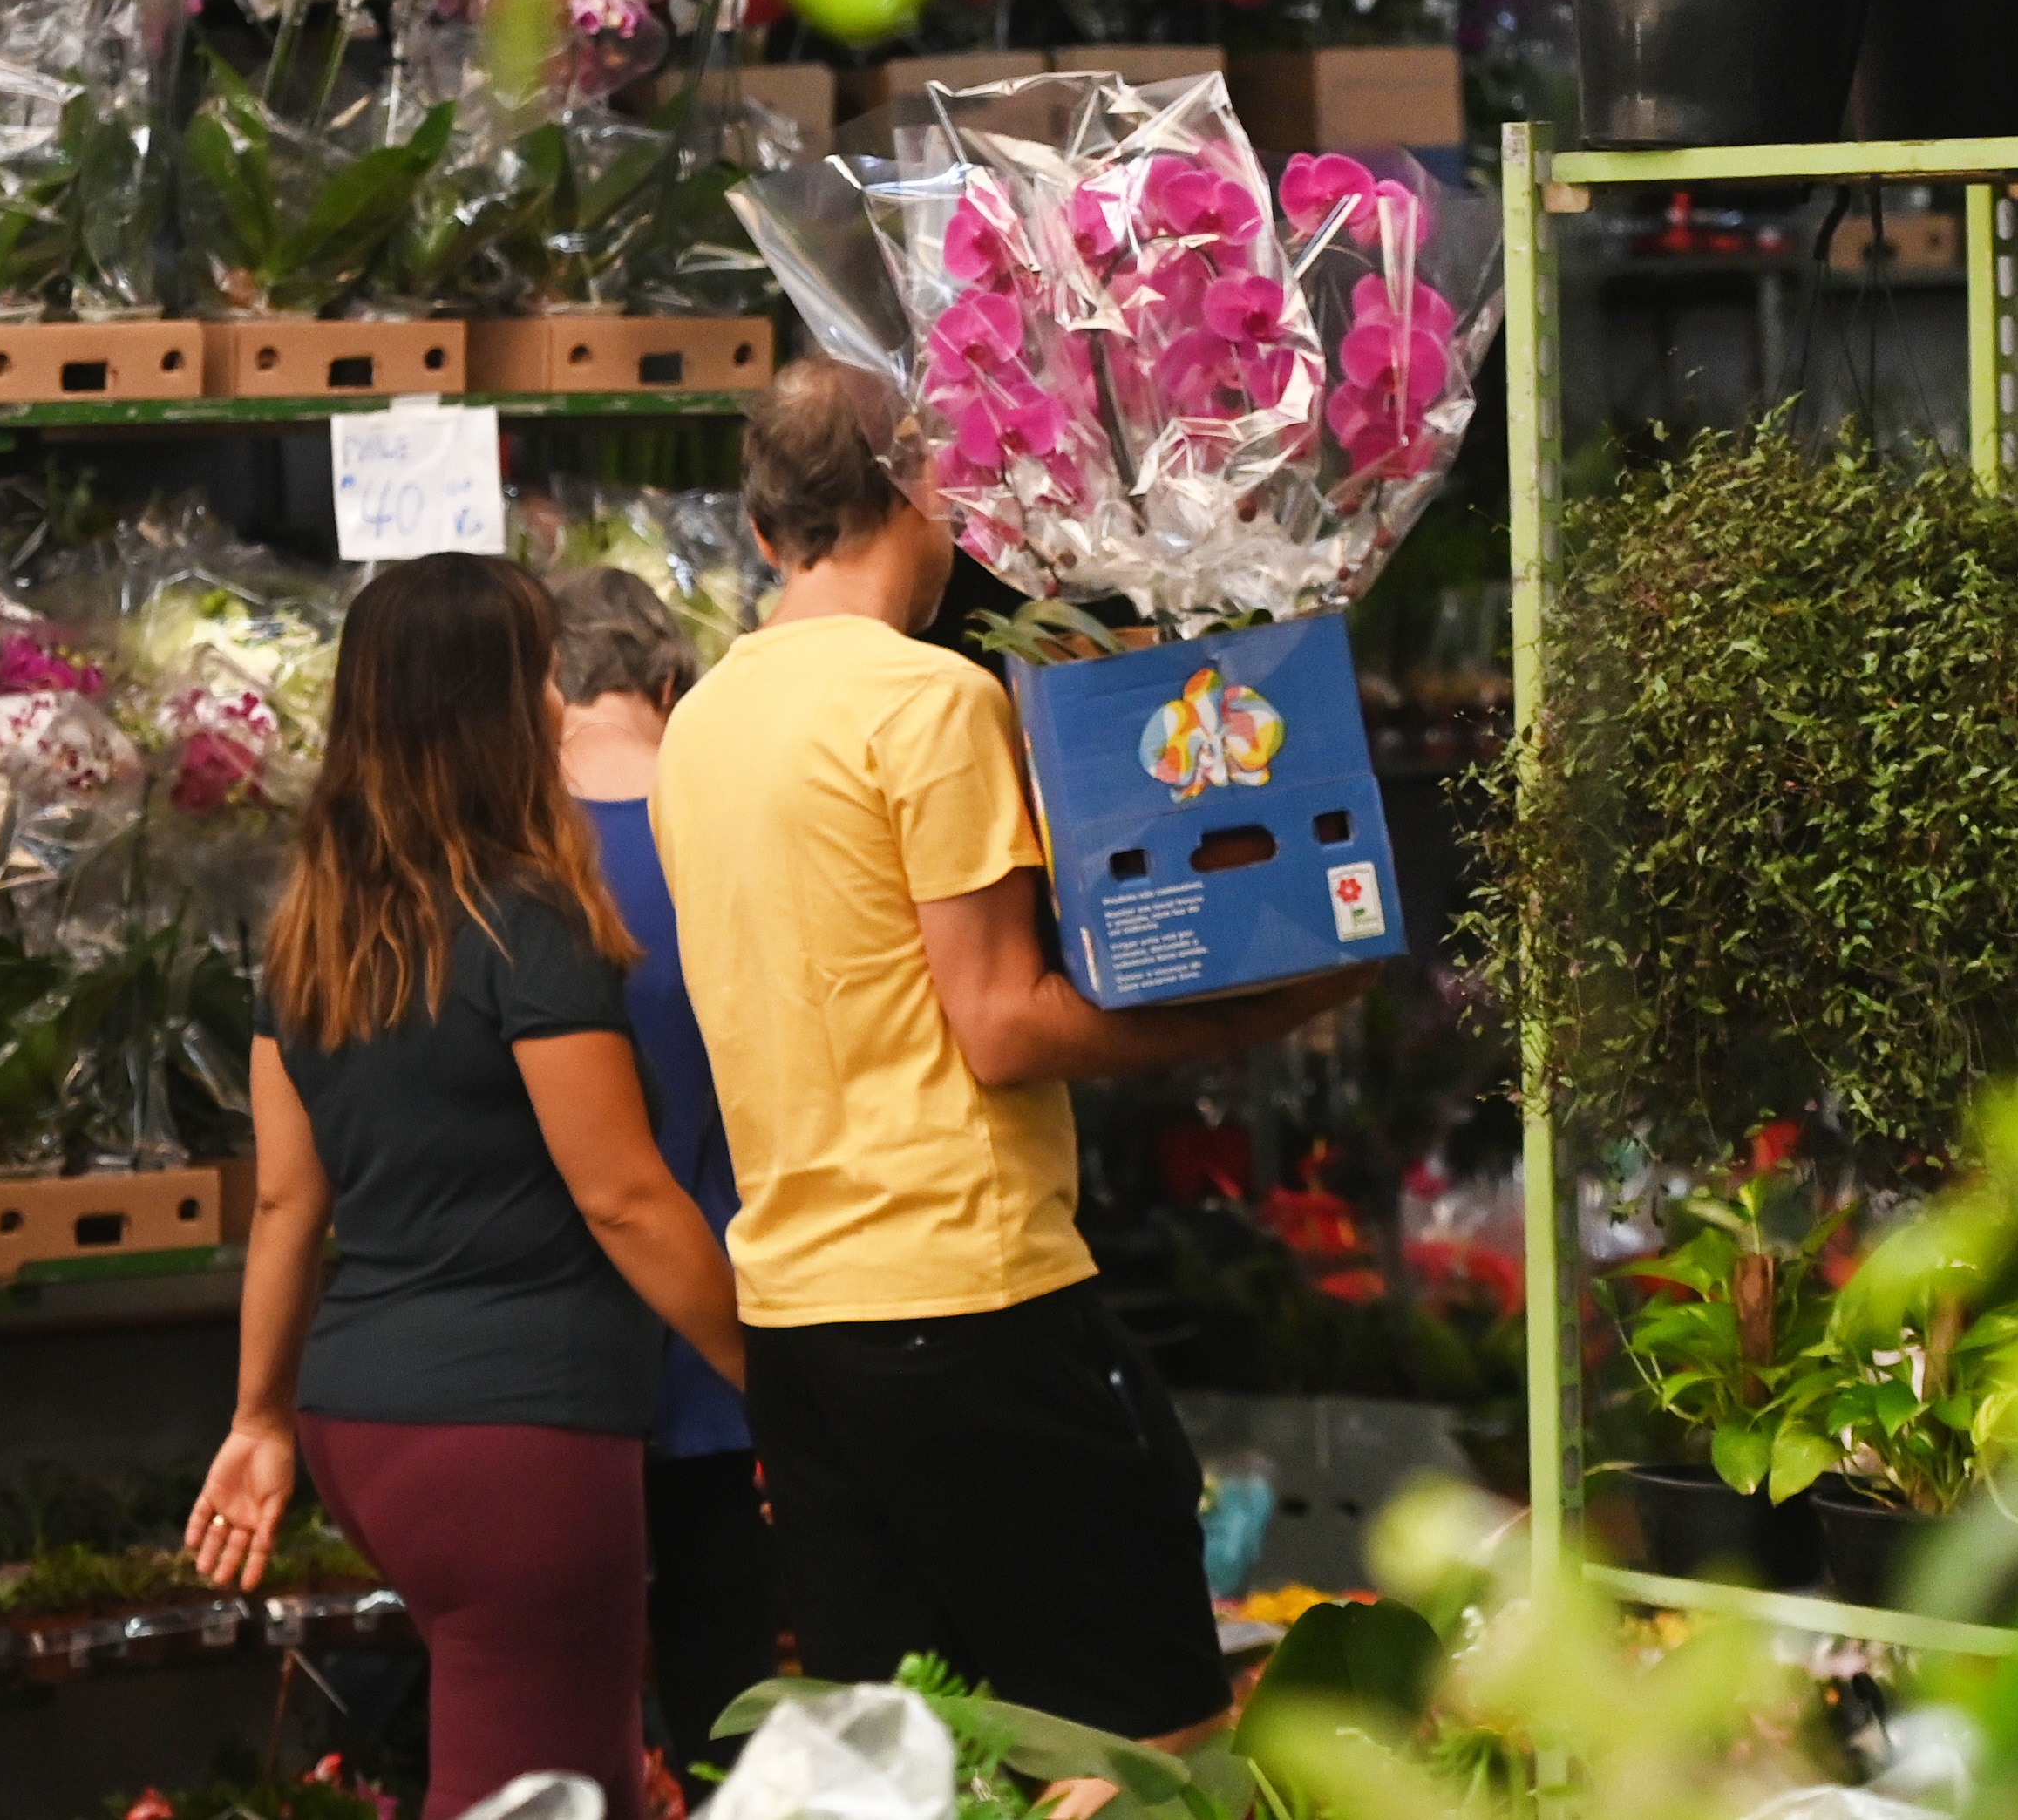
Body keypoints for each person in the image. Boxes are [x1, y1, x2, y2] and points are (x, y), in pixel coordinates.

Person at [649, 362, 1369, 1747]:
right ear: (922, 488)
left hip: (799, 1315)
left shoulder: (701, 722)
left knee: (908, 1758)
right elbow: (999, 1018)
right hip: (968, 1290)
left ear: (761, 531)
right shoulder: (925, 703)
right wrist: (1260, 1005)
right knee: (1150, 1741)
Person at [186, 553, 745, 1820]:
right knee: (538, 1793)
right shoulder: (529, 920)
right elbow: (623, 1195)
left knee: (580, 1778)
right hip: (520, 1438)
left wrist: (261, 1419)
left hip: (364, 1423)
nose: (560, 701)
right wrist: (777, 1377)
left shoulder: (314, 922)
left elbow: (285, 1202)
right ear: (496, 707)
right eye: (542, 673)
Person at [548, 567, 783, 1795]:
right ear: (669, 686)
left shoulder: (519, 863)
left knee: (558, 1715)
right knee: (727, 1698)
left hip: (557, 1354)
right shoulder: (734, 828)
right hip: (735, 1326)